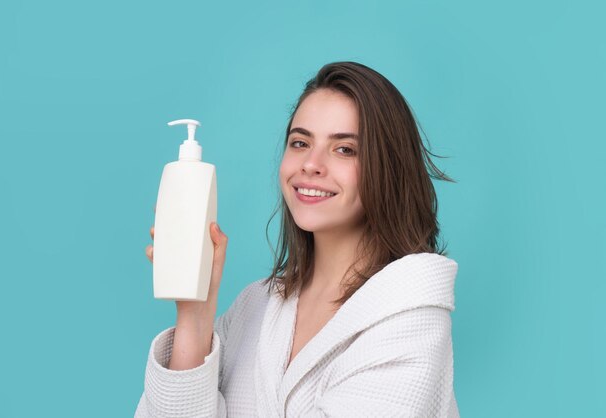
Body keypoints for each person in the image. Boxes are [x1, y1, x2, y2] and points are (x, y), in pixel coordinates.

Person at [135, 61, 459, 417]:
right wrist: (195, 314)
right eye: (300, 142)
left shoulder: (409, 315)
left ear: (389, 168)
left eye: (345, 149)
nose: (311, 164)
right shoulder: (254, 307)